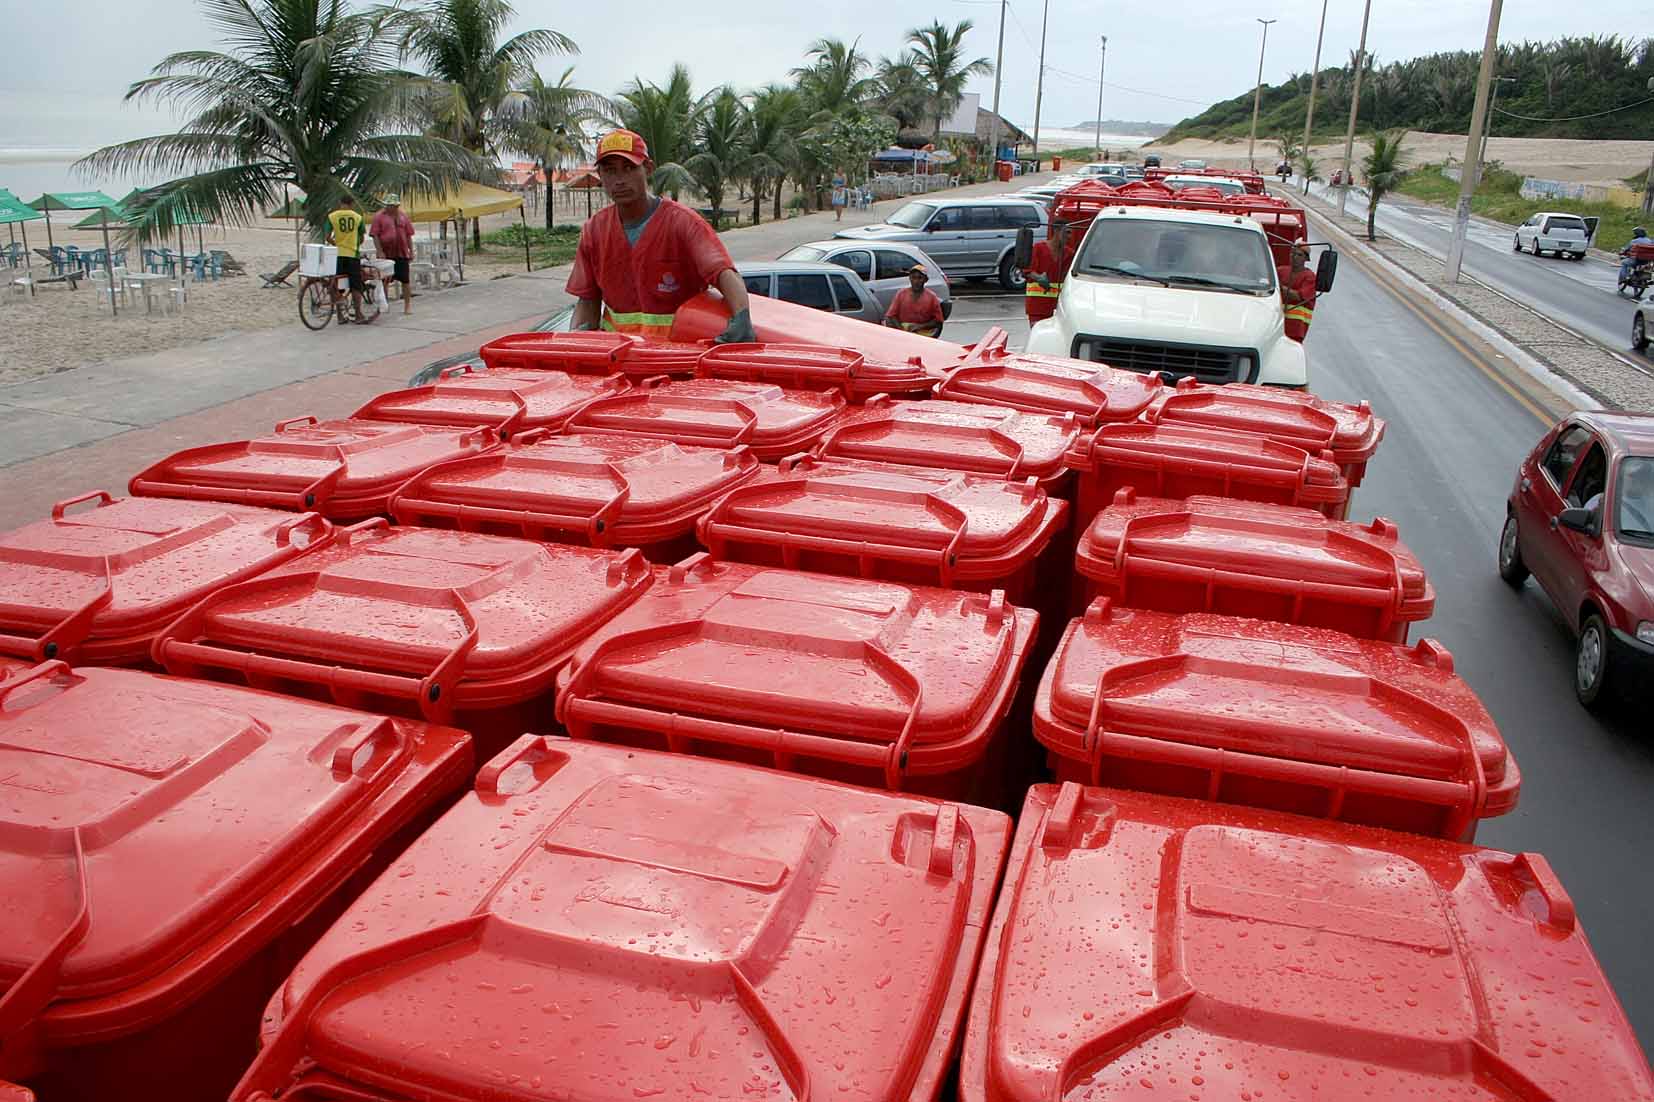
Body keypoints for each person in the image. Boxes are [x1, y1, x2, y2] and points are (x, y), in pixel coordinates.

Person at [567, 128, 752, 342]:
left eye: (629, 168)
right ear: (600, 176)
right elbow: (587, 300)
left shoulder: (682, 222)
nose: (619, 180)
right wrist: (575, 341)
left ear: (648, 169)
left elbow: (723, 272)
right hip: (620, 361)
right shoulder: (594, 231)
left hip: (678, 361)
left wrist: (742, 318)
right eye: (610, 171)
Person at [370, 193, 416, 315]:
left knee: (405, 280)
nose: (392, 208)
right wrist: (380, 251)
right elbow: (375, 235)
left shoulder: (403, 216)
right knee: (385, 280)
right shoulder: (379, 217)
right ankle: (385, 304)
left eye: (395, 205)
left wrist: (411, 250)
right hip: (386, 253)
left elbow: (409, 235)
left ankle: (407, 305)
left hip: (401, 253)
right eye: (390, 205)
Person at [325, 195, 368, 323]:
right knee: (355, 286)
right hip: (352, 255)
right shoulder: (357, 217)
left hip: (338, 255)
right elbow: (361, 238)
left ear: (340, 202)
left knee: (338, 286)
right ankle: (358, 315)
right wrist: (354, 245)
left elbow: (327, 236)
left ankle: (339, 316)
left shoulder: (332, 216)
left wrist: (336, 244)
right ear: (352, 204)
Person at [1021, 221, 1074, 326]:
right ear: (1056, 231)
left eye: (1070, 233)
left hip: (1059, 309)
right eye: (1067, 232)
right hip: (1037, 308)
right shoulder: (1039, 248)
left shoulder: (1070, 254)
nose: (1069, 237)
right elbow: (1027, 271)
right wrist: (1038, 277)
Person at [884, 264, 944, 337]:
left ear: (925, 280)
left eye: (920, 278)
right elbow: (891, 316)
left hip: (923, 333)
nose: (916, 281)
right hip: (904, 332)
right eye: (913, 277)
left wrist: (919, 326)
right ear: (910, 279)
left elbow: (938, 321)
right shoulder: (901, 294)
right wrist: (902, 330)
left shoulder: (932, 297)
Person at [1277, 243, 1317, 342]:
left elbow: (1299, 296)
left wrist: (1279, 287)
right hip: (1276, 324)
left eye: (1299, 255)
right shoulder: (1281, 271)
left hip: (1295, 329)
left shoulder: (1310, 277)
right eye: (1293, 253)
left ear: (1306, 259)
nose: (1295, 257)